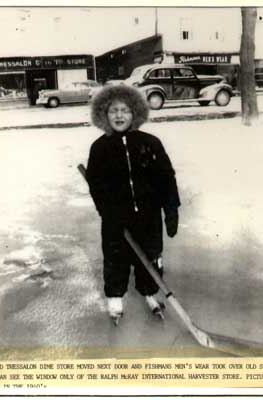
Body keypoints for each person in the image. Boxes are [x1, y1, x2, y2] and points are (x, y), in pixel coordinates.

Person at [86, 85, 180, 324]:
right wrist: (107, 212)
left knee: (150, 258)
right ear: (103, 115)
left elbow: (166, 177)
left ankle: (149, 292)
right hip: (116, 219)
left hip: (149, 217)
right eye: (113, 111)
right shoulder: (100, 148)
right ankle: (115, 298)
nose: (119, 116)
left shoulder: (151, 143)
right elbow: (96, 186)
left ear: (135, 112)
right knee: (115, 259)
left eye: (125, 110)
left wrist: (171, 209)